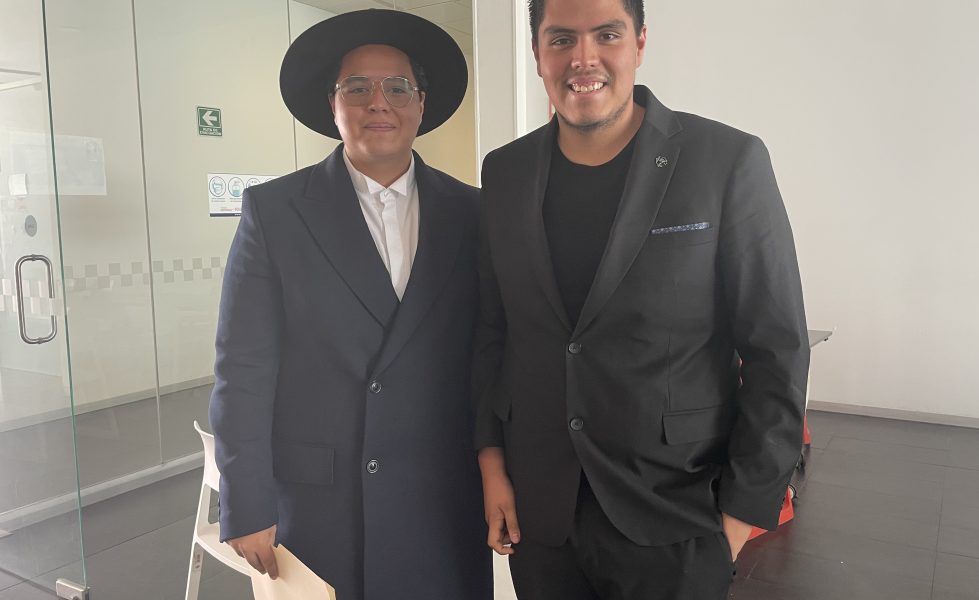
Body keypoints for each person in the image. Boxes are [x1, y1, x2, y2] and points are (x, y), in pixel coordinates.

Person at [474, 0, 810, 598]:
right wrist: (492, 463)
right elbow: (493, 332)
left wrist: (740, 514)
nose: (583, 58)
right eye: (561, 39)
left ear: (640, 43)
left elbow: (776, 346)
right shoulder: (505, 173)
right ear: (537, 53)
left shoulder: (725, 161)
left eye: (607, 35)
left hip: (677, 510)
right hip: (543, 512)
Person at [209, 9, 491, 600]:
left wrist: (501, 472)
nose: (378, 103)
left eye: (398, 87)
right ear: (333, 105)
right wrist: (246, 499)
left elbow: (492, 354)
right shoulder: (276, 212)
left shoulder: (473, 213)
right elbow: (243, 367)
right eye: (357, 88)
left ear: (421, 104)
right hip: (323, 499)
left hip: (443, 492)